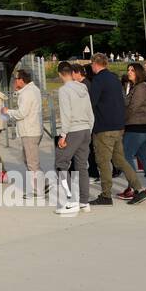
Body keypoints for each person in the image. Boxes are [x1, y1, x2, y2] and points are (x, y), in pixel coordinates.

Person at [87, 54, 146, 205]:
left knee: (103, 161)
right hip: (118, 126)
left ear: (95, 64)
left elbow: (92, 102)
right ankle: (139, 188)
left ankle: (106, 195)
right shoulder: (114, 78)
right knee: (120, 160)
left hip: (104, 127)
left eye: (91, 64)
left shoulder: (98, 80)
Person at [53, 61, 93, 215]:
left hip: (73, 130)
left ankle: (70, 201)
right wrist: (89, 129)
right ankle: (84, 202)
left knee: (60, 163)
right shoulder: (83, 87)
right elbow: (90, 113)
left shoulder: (64, 90)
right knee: (82, 166)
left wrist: (63, 135)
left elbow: (66, 114)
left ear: (60, 74)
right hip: (85, 130)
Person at [120, 63, 146, 199]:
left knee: (126, 156)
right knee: (144, 158)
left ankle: (134, 188)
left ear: (139, 72)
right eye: (128, 70)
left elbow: (132, 108)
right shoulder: (135, 87)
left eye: (132, 70)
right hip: (141, 127)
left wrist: (121, 122)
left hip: (138, 128)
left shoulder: (141, 88)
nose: (129, 72)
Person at [6, 69, 46, 197]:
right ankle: (42, 183)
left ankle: (37, 191)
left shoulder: (27, 93)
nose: (14, 81)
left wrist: (8, 112)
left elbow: (22, 113)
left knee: (31, 162)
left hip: (30, 131)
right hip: (33, 130)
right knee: (30, 160)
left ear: (21, 80)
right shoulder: (31, 90)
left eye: (16, 79)